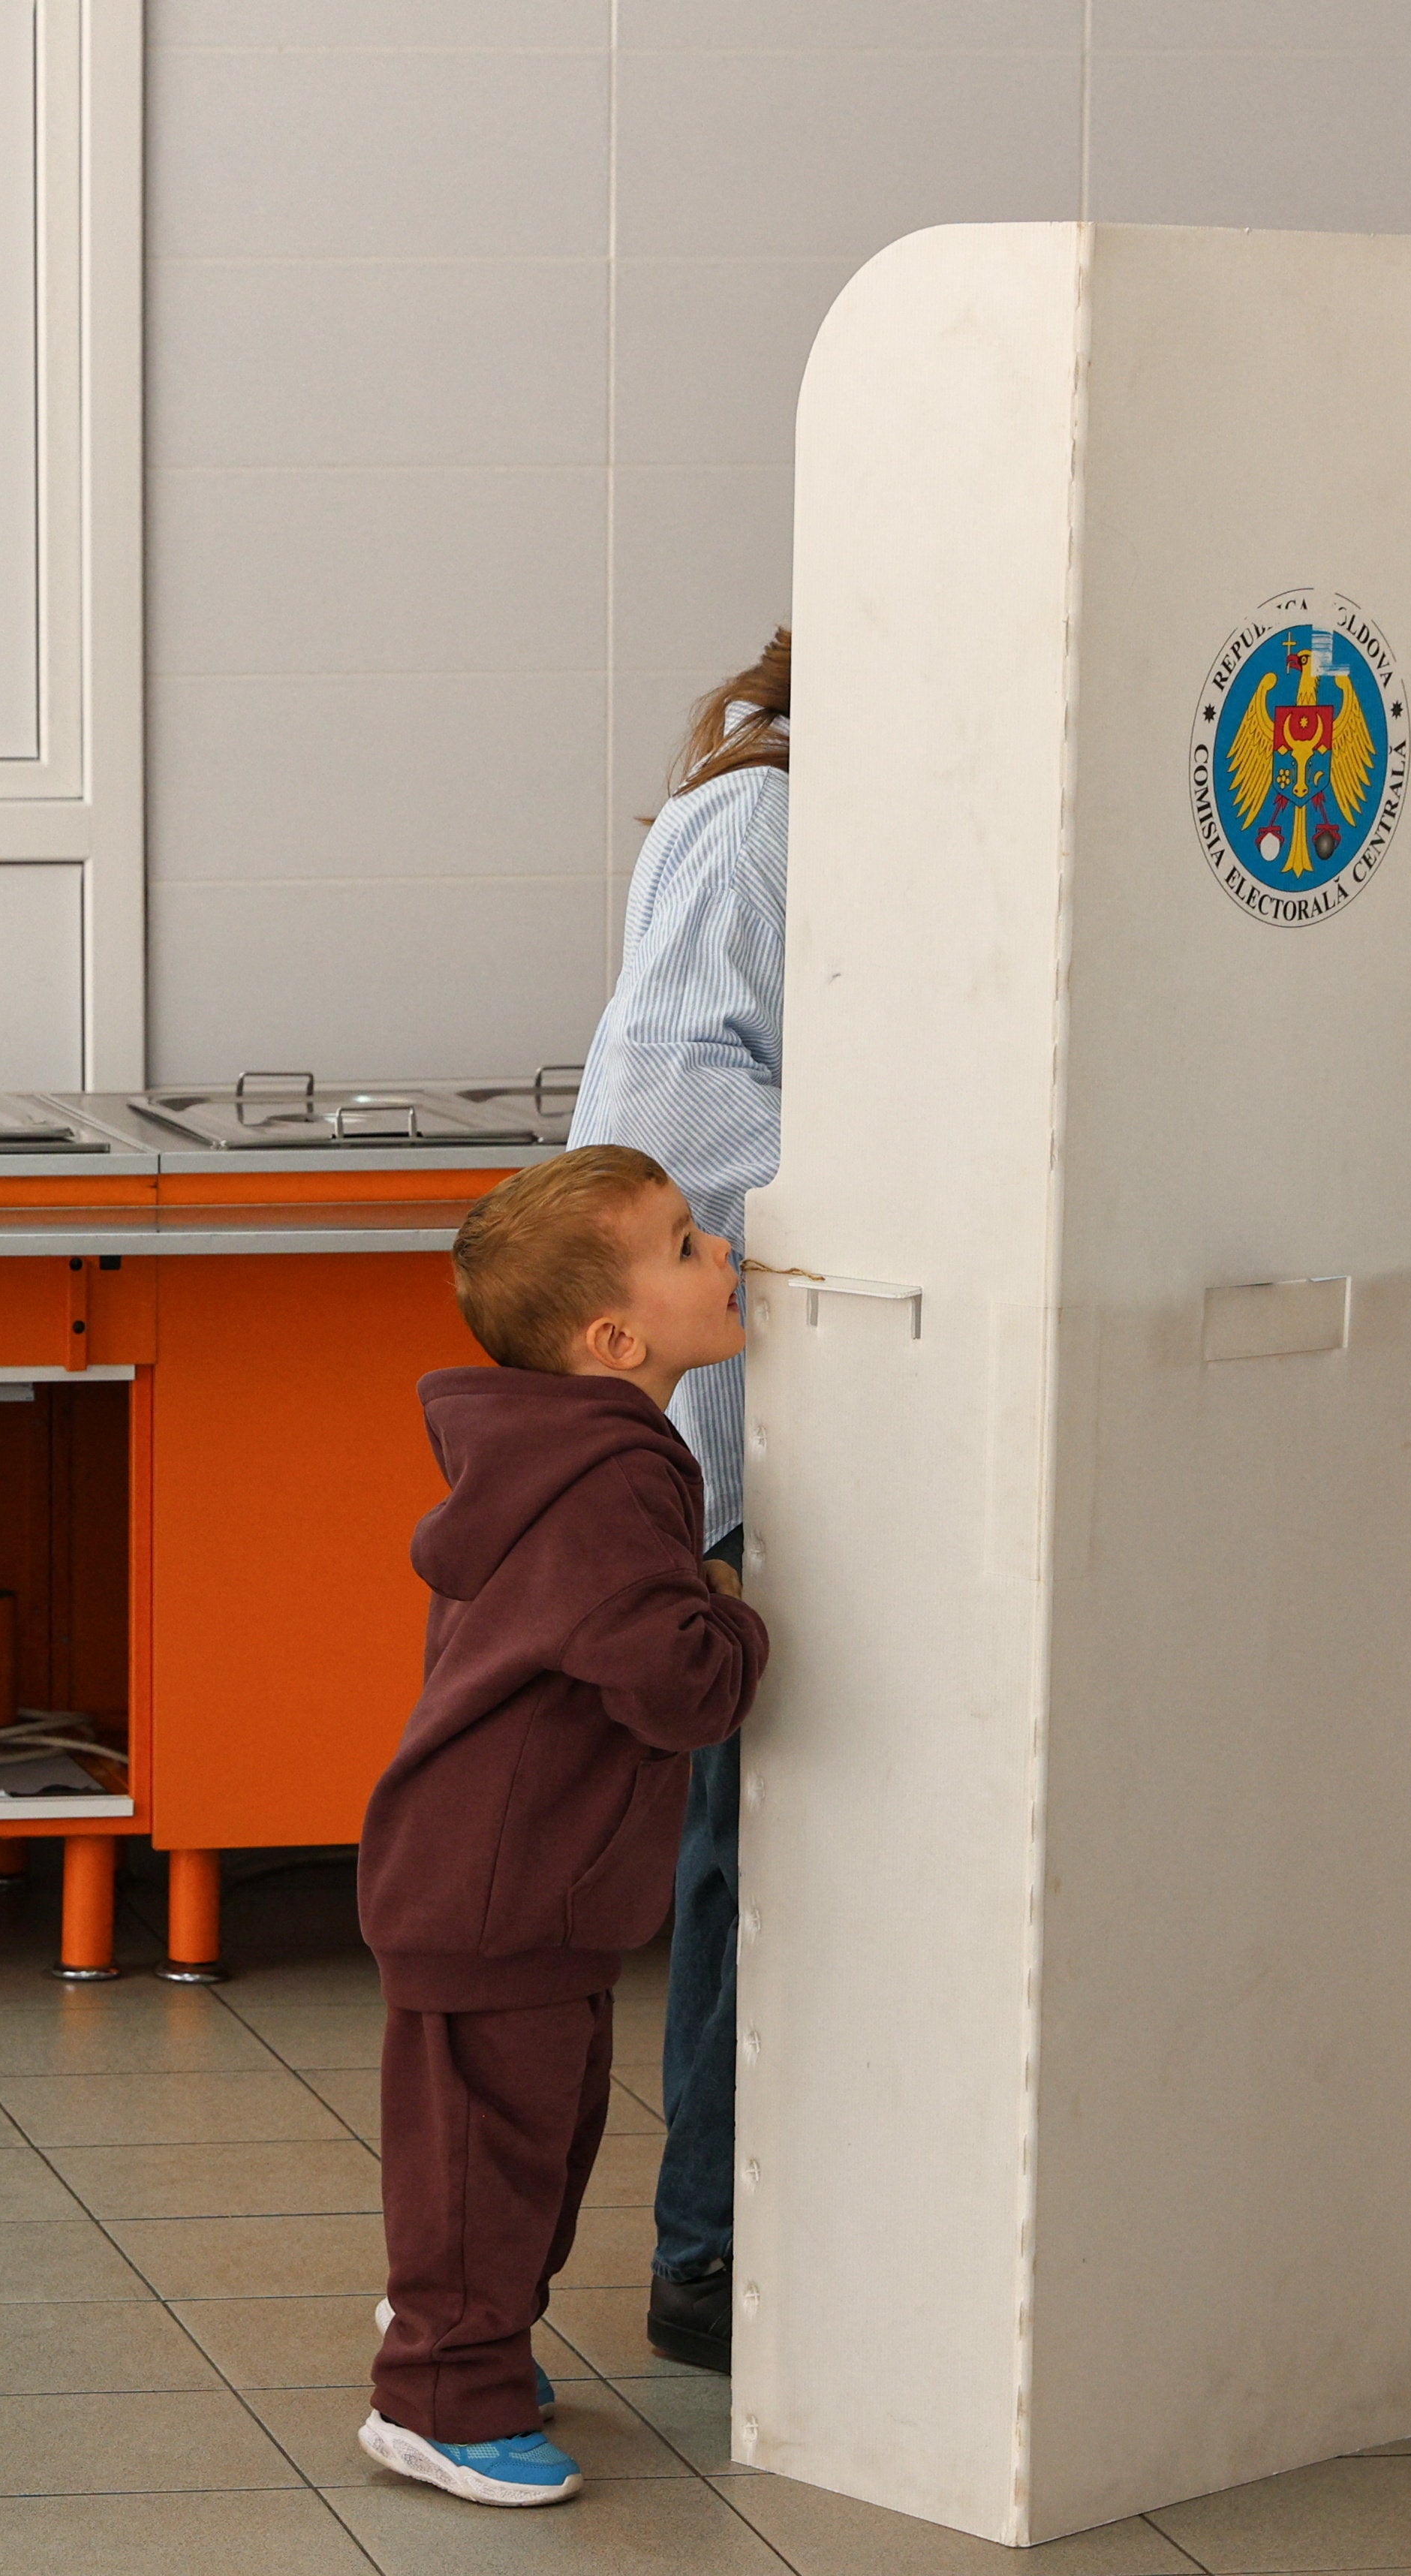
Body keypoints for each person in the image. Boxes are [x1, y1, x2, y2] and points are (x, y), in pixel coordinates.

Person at [356, 1146, 769, 2507]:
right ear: (618, 1336)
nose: (724, 1251)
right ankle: (437, 2398)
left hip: (519, 1880)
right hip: (499, 1882)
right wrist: (742, 1614)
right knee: (487, 2153)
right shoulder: (607, 1481)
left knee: (527, 2141)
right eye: (687, 1241)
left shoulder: (575, 1456)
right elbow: (674, 1680)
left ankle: (475, 2345)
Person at [566, 629, 790, 2375]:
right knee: (752, 1853)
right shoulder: (759, 818)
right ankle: (709, 2258)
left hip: (859, 1418)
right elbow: (671, 1116)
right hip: (755, 1436)